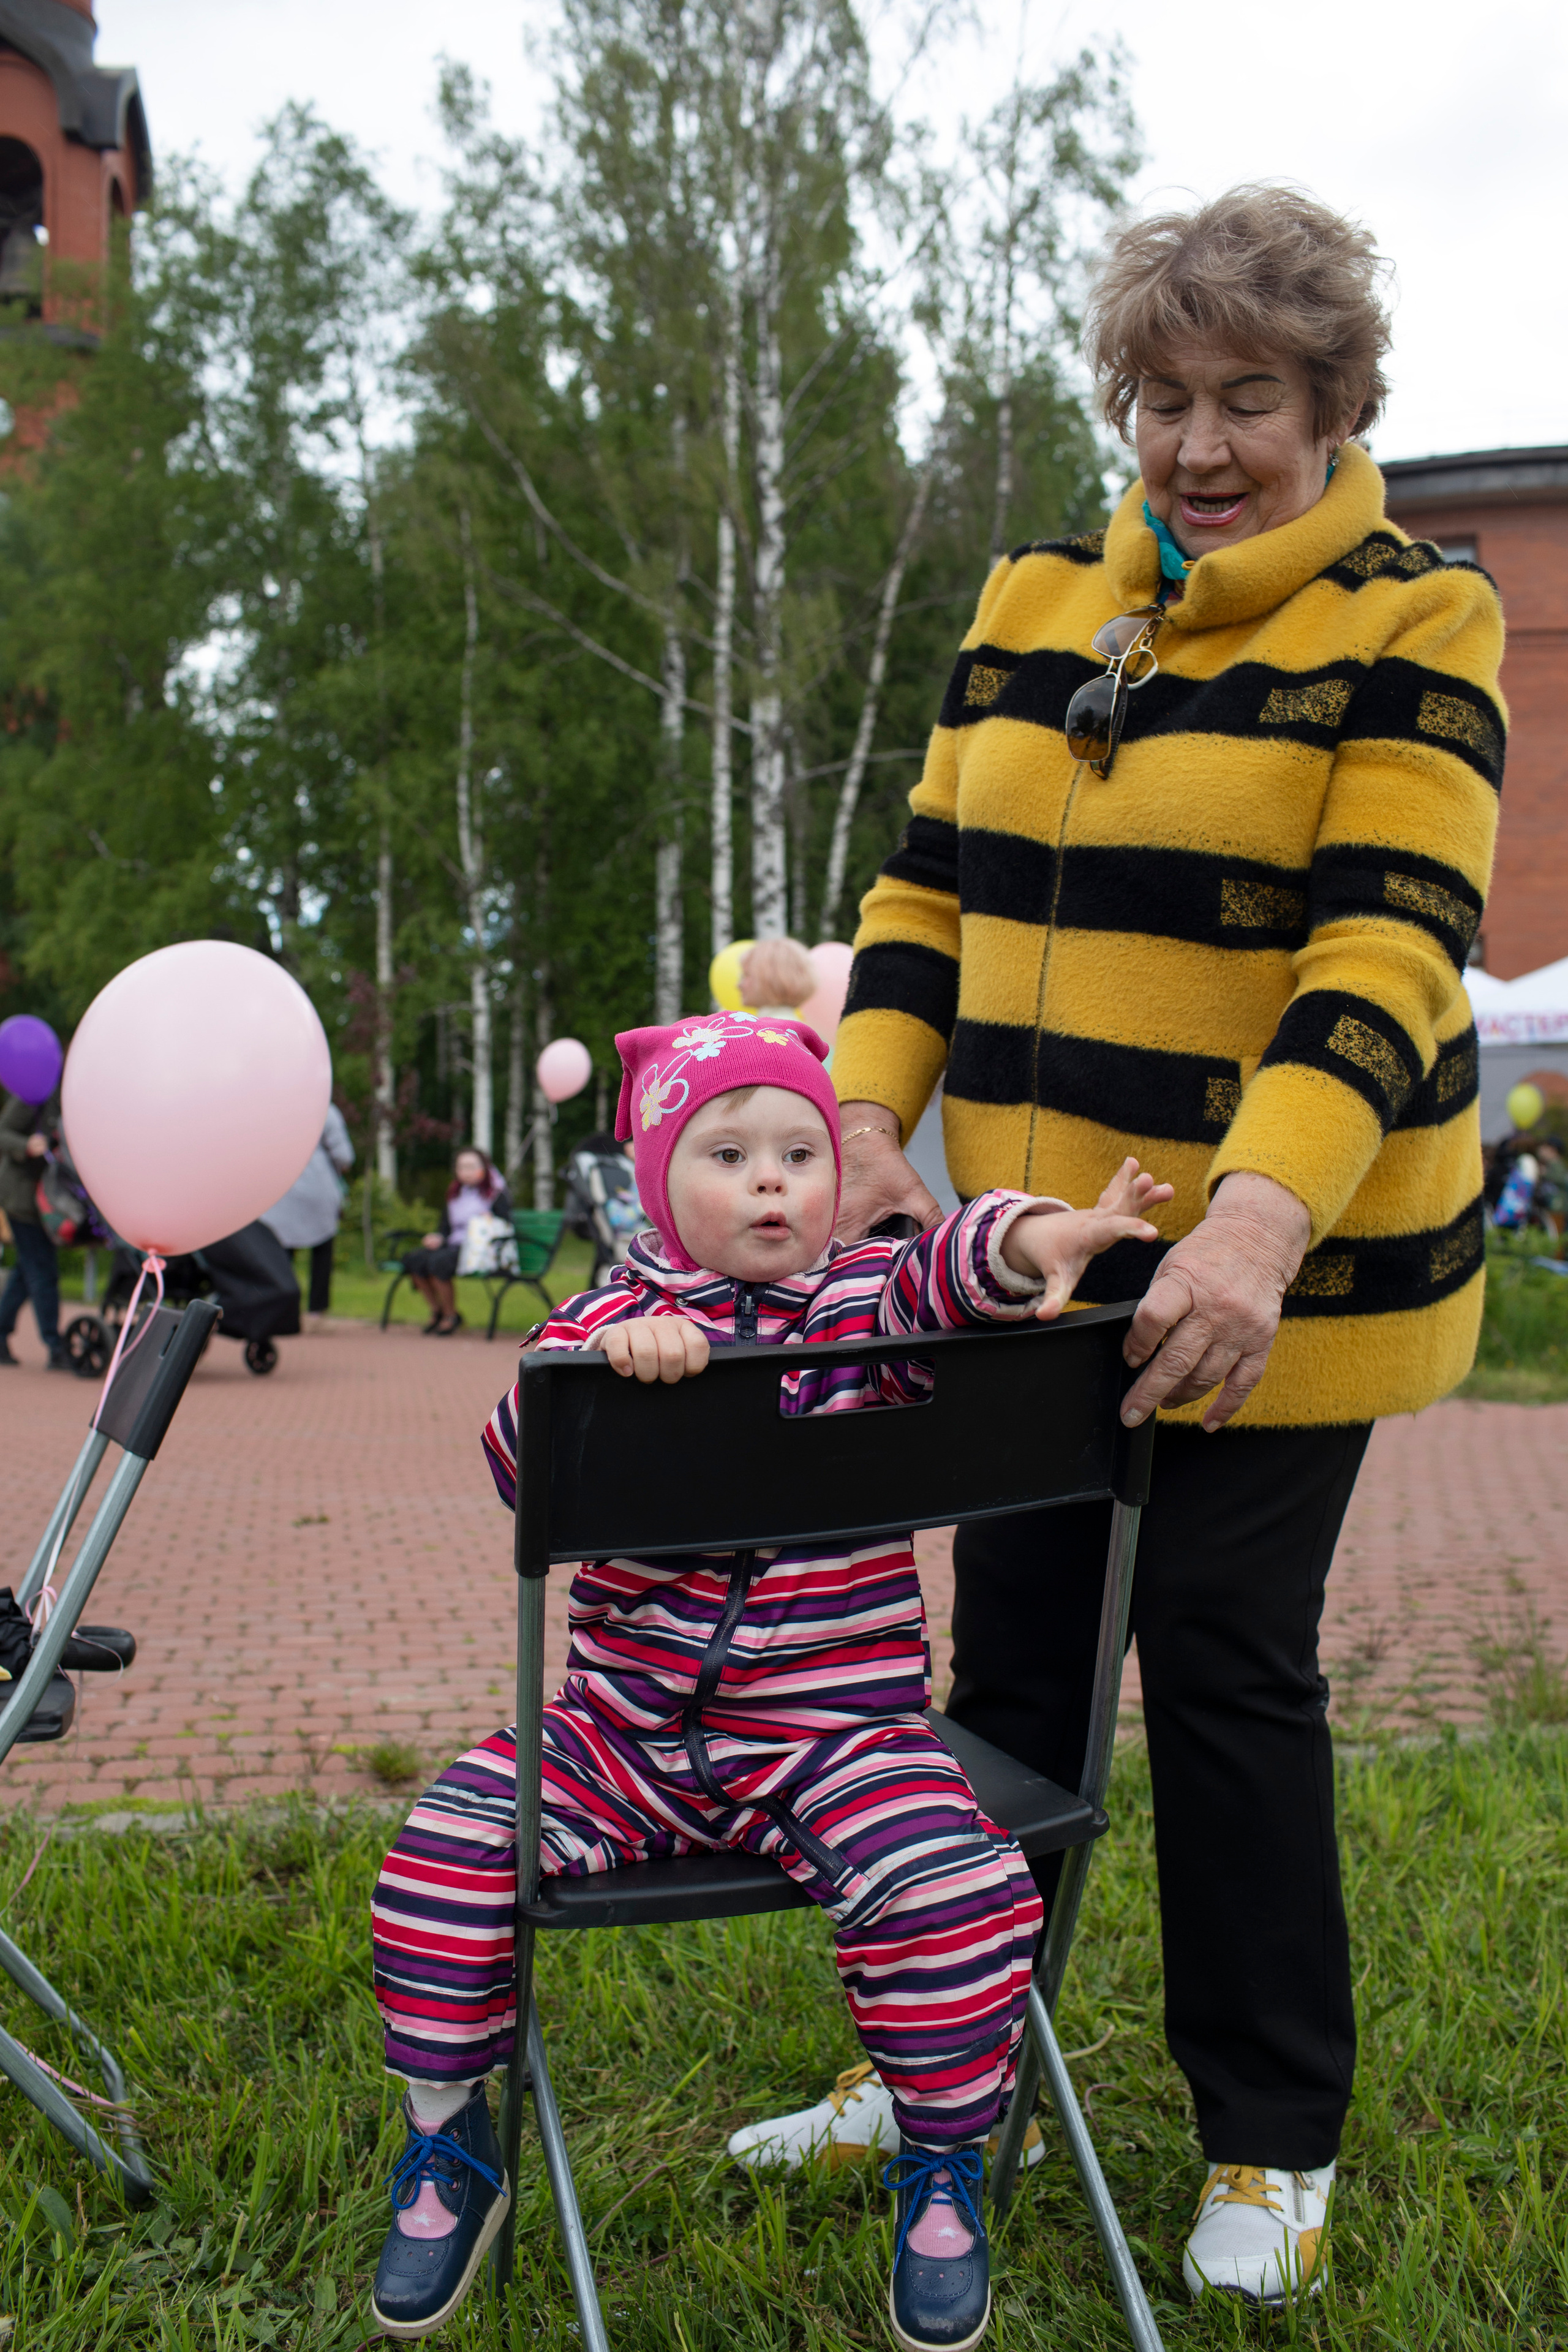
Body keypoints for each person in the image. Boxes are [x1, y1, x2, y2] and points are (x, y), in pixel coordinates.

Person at [741, 186, 1506, 2307]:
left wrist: (1251, 1232)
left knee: (1227, 1667)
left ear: (1340, 402)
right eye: (1163, 395)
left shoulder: (1416, 618)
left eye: (1248, 395)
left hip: (1295, 1279)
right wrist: (869, 1128)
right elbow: (919, 892)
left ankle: (1270, 2142)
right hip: (1039, 1265)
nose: (1196, 444)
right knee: (1009, 1675)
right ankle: (939, 2064)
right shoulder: (1036, 596)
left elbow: (1389, 951)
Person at [364, 1009, 1170, 2346]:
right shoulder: (603, 1321)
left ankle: (941, 2165)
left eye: (799, 1151)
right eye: (727, 1152)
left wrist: (1038, 1238)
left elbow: (949, 1273)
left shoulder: (861, 1302)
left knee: (956, 1890)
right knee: (441, 1857)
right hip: (618, 1736)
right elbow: (518, 1462)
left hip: (839, 1735)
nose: (770, 1180)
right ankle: (450, 2141)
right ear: (655, 1181)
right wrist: (603, 1375)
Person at [259, 1102, 355, 1330]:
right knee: (322, 1252)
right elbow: (345, 1157)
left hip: (280, 1189)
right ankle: (316, 1314)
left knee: (280, 1256)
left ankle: (281, 1310)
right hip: (318, 1189)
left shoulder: (273, 1109)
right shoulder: (326, 1111)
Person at [401, 1148, 512, 1336]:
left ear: (483, 1168)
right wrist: (439, 1237)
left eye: (471, 1167)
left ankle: (451, 1316)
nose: (466, 1171)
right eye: (462, 1167)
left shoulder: (495, 1193)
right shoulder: (456, 1195)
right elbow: (445, 1228)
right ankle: (438, 1311)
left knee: (439, 1262)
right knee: (414, 1259)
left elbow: (507, 1223)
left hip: (480, 1250)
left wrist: (490, 1220)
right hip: (454, 1244)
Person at [0, 1090, 67, 1371]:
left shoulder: (73, 1097)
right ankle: (55, 1345)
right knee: (42, 1272)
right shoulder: (35, 1093)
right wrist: (27, 1145)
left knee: (28, 1272)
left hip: (47, 1202)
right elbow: (3, 1132)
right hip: (24, 1201)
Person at [739, 934, 817, 1014]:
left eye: (747, 975)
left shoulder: (767, 1025)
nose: (739, 985)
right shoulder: (794, 1024)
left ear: (770, 977)